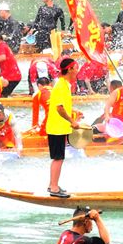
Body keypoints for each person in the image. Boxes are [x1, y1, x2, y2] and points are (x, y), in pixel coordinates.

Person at [46, 58, 81, 198]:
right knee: (58, 158)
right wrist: (72, 120)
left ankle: (53, 185)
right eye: (76, 68)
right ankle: (53, 187)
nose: (77, 71)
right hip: (56, 128)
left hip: (60, 127)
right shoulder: (60, 85)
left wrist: (75, 112)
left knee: (59, 157)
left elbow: (63, 106)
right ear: (71, 69)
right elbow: (59, 108)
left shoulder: (65, 84)